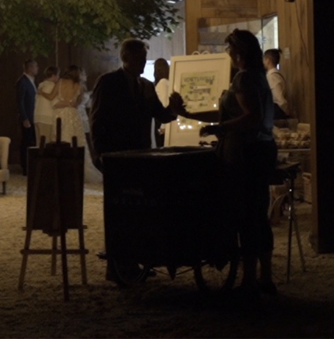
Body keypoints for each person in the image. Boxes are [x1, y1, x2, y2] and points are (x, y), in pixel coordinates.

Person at [201, 29, 278, 296]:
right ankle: (265, 277)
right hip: (265, 148)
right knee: (259, 214)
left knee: (245, 215)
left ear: (238, 53)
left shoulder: (244, 78)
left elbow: (251, 116)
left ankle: (248, 280)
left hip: (247, 152)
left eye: (230, 51)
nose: (229, 56)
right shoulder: (260, 77)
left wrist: (219, 127)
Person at [90, 39, 186, 170]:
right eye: (139, 57)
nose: (143, 62)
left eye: (144, 58)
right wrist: (101, 154)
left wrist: (174, 108)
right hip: (117, 154)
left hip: (142, 153)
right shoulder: (108, 82)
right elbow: (97, 120)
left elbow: (160, 115)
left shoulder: (147, 85)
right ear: (125, 57)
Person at [53, 66, 100, 183]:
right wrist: (70, 102)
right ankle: (76, 166)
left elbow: (52, 99)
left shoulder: (60, 82)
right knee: (77, 140)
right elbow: (77, 103)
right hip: (73, 114)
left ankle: (62, 168)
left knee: (61, 137)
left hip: (61, 113)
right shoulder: (79, 85)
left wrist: (62, 103)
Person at [16, 59, 38, 175]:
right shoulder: (22, 82)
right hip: (27, 118)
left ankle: (30, 165)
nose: (37, 69)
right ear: (29, 68)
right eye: (35, 66)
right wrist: (24, 118)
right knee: (26, 141)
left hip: (33, 117)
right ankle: (25, 167)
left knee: (31, 141)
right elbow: (20, 101)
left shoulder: (31, 81)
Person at [264, 49, 295, 128]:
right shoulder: (277, 75)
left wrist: (288, 112)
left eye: (264, 59)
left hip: (277, 111)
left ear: (268, 60)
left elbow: (279, 98)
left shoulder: (272, 76)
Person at [34, 66, 59, 145]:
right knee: (47, 143)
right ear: (53, 75)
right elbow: (55, 102)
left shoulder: (41, 85)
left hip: (37, 117)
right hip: (46, 118)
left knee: (39, 143)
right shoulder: (52, 86)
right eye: (58, 75)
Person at [153, 58, 171, 148]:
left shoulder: (162, 83)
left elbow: (164, 103)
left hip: (162, 124)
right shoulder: (168, 82)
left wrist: (163, 126)